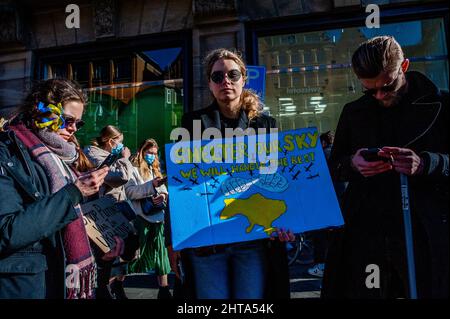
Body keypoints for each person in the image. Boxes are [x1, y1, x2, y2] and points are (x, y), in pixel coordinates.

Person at [322, 36, 448, 298]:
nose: (380, 95)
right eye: (370, 90)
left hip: (425, 230)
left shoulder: (441, 105)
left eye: (388, 86)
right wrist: (352, 164)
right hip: (368, 232)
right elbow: (334, 165)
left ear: (404, 67)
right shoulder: (354, 112)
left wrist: (425, 163)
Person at [179, 48, 294, 299]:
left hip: (251, 241)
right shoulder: (192, 123)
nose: (226, 81)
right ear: (209, 84)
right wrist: (174, 237)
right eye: (217, 76)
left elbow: (277, 178)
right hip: (207, 240)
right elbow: (182, 183)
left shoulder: (265, 125)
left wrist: (290, 222)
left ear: (243, 78)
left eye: (232, 74)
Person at [0, 79, 111, 298]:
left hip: (60, 279)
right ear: (40, 111)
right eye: (67, 120)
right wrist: (74, 193)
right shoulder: (7, 152)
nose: (72, 128)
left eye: (78, 123)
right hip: (26, 284)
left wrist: (103, 246)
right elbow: (7, 231)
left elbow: (71, 225)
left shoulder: (66, 159)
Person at [84, 125, 136, 299]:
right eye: (120, 142)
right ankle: (103, 290)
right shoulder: (94, 153)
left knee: (124, 249)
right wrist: (125, 158)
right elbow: (120, 177)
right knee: (105, 256)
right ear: (111, 141)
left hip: (115, 210)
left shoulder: (111, 155)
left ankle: (112, 287)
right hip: (101, 214)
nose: (122, 145)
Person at [125, 138, 172, 299]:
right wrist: (150, 188)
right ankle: (116, 282)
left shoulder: (155, 168)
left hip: (158, 216)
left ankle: (164, 289)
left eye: (155, 153)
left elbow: (164, 189)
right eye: (149, 153)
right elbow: (130, 192)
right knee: (134, 254)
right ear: (142, 152)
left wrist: (163, 196)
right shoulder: (134, 168)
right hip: (141, 217)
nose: (152, 156)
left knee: (161, 254)